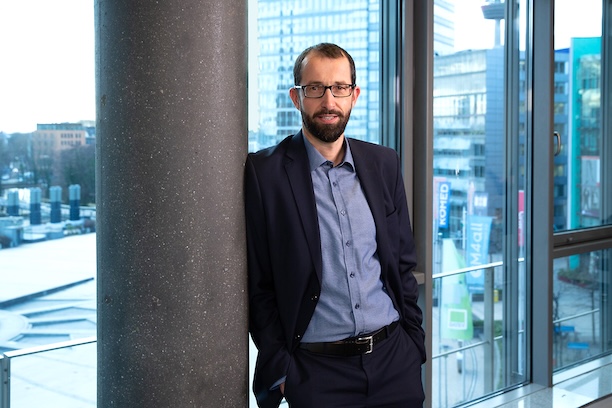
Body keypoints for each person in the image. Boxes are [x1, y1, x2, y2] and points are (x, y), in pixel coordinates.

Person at [245, 42, 426, 408]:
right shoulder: (266, 174)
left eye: (340, 87)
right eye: (315, 88)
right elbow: (259, 285)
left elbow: (402, 263)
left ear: (354, 95)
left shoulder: (384, 163)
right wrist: (284, 374)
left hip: (394, 361)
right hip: (316, 375)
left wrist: (413, 343)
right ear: (297, 97)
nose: (329, 101)